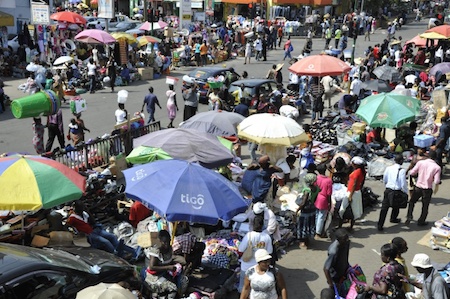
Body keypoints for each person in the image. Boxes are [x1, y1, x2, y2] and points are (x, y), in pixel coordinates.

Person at [67, 201, 141, 260]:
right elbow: (67, 225)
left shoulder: (84, 214)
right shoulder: (72, 218)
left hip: (94, 230)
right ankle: (116, 255)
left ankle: (119, 250)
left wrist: (87, 211)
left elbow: (93, 222)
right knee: (106, 242)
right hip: (88, 234)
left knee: (112, 236)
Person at [144, 230, 186, 299]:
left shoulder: (169, 248)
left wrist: (175, 265)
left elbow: (170, 260)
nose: (166, 244)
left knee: (180, 282)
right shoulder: (156, 250)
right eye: (164, 242)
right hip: (154, 277)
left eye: (168, 242)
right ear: (160, 241)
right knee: (173, 288)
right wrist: (168, 267)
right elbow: (152, 267)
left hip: (164, 273)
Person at [237, 216, 273, 293]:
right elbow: (270, 251)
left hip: (246, 265)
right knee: (258, 287)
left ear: (253, 225)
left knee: (243, 287)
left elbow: (240, 249)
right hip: (260, 266)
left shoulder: (249, 235)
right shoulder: (267, 237)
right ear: (263, 225)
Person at [406, 150, 441, 226]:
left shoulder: (420, 163)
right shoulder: (437, 167)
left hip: (418, 186)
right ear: (435, 158)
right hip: (427, 189)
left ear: (428, 156)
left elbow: (412, 173)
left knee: (412, 202)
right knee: (425, 206)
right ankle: (421, 221)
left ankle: (409, 215)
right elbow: (436, 181)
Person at [377, 154, 408, 231]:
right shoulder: (402, 170)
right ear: (401, 161)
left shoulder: (388, 168)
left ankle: (380, 225)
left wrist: (387, 185)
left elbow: (385, 179)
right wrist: (405, 191)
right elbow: (403, 183)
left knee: (384, 208)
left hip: (388, 190)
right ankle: (393, 218)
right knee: (396, 205)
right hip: (396, 190)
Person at [340, 156, 365, 230]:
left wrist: (350, 195)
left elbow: (354, 184)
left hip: (351, 192)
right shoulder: (361, 171)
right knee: (354, 210)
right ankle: (351, 226)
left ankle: (340, 226)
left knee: (342, 209)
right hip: (356, 192)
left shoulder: (356, 172)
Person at [295, 173, 319, 249]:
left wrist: (298, 209)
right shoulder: (317, 188)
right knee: (310, 224)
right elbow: (315, 199)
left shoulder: (307, 190)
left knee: (303, 225)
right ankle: (308, 239)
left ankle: (302, 241)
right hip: (312, 209)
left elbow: (303, 202)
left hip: (305, 210)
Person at [323, 228, 350, 293]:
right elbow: (326, 269)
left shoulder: (346, 242)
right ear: (339, 240)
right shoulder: (333, 251)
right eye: (344, 239)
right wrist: (331, 284)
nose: (347, 240)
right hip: (335, 278)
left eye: (347, 237)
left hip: (344, 273)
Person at [315, 164, 332, 239]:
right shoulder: (328, 180)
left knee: (317, 215)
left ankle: (316, 229)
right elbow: (329, 193)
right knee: (321, 216)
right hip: (324, 199)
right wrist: (329, 203)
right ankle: (318, 232)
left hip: (317, 198)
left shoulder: (317, 178)